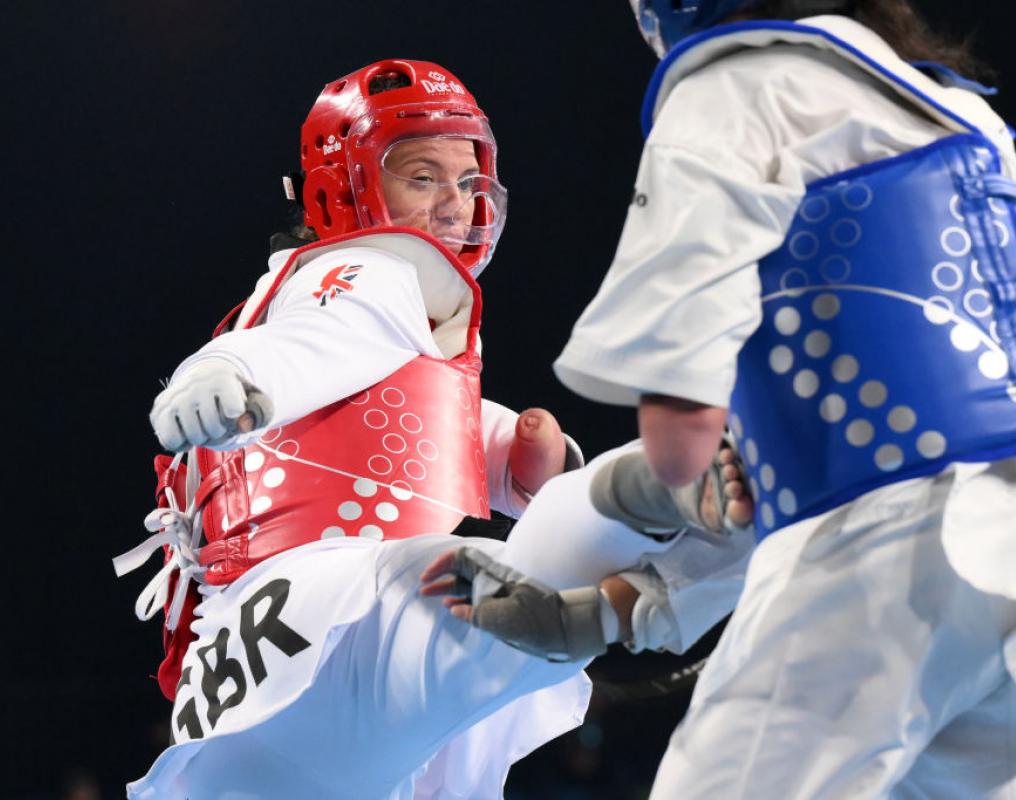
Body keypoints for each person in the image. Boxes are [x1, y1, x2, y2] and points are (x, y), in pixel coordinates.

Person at [540, 1, 1016, 797]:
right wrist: (632, 603)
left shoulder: (733, 84)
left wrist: (642, 487)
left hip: (902, 525)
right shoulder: (958, 108)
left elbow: (683, 440)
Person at [115, 58, 753, 799]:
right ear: (346, 186)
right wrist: (228, 375)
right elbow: (321, 342)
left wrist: (505, 453)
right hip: (322, 624)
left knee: (500, 620)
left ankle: (645, 488)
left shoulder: (334, 296)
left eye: (469, 181)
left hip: (283, 675)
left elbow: (351, 402)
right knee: (493, 616)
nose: (455, 203)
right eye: (422, 177)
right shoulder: (369, 272)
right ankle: (649, 486)